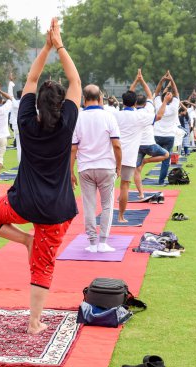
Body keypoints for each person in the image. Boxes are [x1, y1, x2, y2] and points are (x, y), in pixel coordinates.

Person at [0, 18, 81, 334]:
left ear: (35, 105)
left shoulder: (25, 122)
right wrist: (59, 45)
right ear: (63, 105)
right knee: (44, 265)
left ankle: (25, 241)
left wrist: (46, 47)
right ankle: (34, 322)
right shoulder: (66, 125)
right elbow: (75, 81)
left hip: (23, 203)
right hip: (57, 210)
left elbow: (32, 78)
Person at [71, 84, 121, 252]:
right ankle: (103, 242)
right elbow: (117, 145)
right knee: (107, 204)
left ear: (83, 100)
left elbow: (73, 148)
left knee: (89, 205)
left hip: (85, 168)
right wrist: (118, 166)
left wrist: (70, 171)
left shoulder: (77, 118)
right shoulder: (109, 116)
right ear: (100, 98)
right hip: (106, 166)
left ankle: (92, 242)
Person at [114, 70, 156, 222]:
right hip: (129, 157)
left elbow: (128, 96)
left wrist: (135, 81)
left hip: (113, 155)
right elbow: (152, 102)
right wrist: (141, 81)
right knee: (124, 186)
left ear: (122, 101)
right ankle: (120, 216)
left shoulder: (116, 114)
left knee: (107, 188)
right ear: (136, 103)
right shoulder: (140, 116)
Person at [131, 72, 170, 198]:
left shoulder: (131, 112)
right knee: (166, 154)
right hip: (149, 144)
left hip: (137, 145)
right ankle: (146, 161)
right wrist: (142, 81)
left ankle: (141, 194)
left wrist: (136, 81)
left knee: (137, 171)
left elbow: (130, 94)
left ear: (134, 103)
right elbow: (150, 94)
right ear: (145, 102)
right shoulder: (149, 109)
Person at [153, 71, 180, 185]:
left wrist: (162, 80)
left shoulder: (158, 104)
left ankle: (143, 162)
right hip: (169, 136)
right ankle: (160, 181)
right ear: (171, 98)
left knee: (154, 156)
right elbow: (176, 91)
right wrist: (172, 80)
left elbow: (157, 91)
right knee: (166, 160)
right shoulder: (174, 106)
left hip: (157, 136)